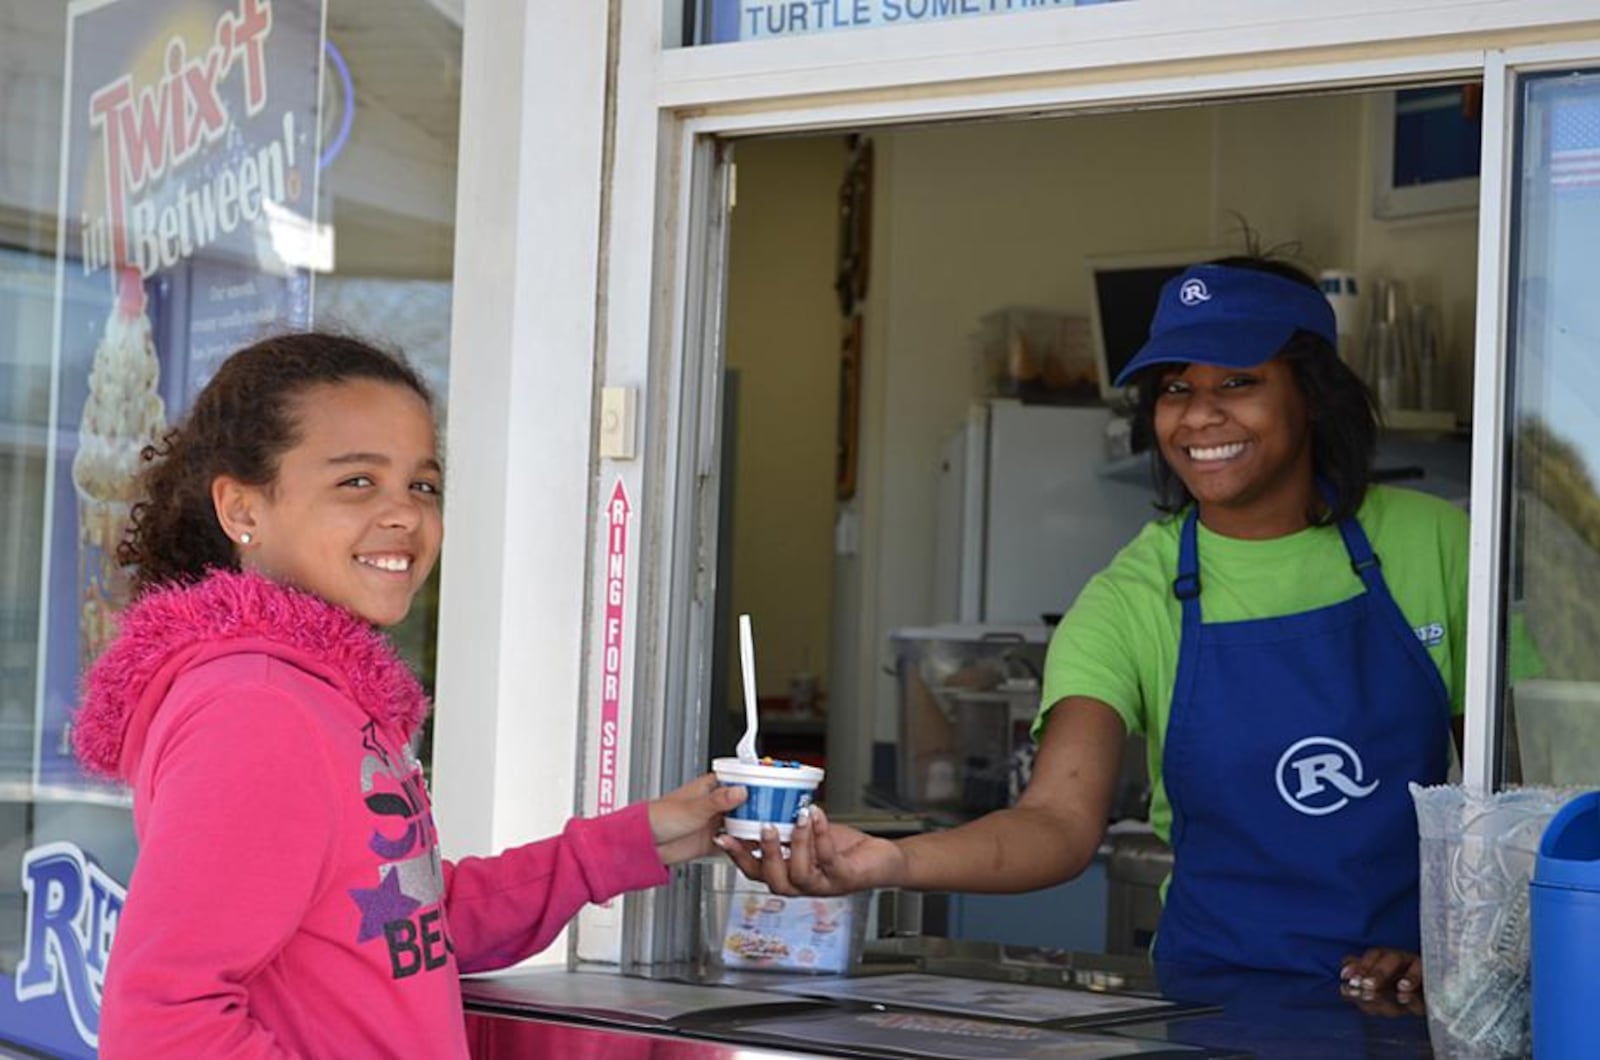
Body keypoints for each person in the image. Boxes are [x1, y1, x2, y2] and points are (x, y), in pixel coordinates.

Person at [724, 257, 1469, 998]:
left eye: (1238, 381)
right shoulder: (1130, 598)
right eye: (1177, 388)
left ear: (1311, 394)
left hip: (1415, 1005)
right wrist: (889, 863)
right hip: (1214, 1005)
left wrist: (1460, 949)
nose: (1201, 415)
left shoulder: (1438, 546)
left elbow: (1521, 796)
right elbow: (1056, 821)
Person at [73, 332, 745, 1058]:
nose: (403, 513)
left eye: (422, 485)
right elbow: (163, 1023)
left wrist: (644, 837)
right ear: (243, 510)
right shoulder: (259, 708)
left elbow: (411, 921)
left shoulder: (316, 697)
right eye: (357, 481)